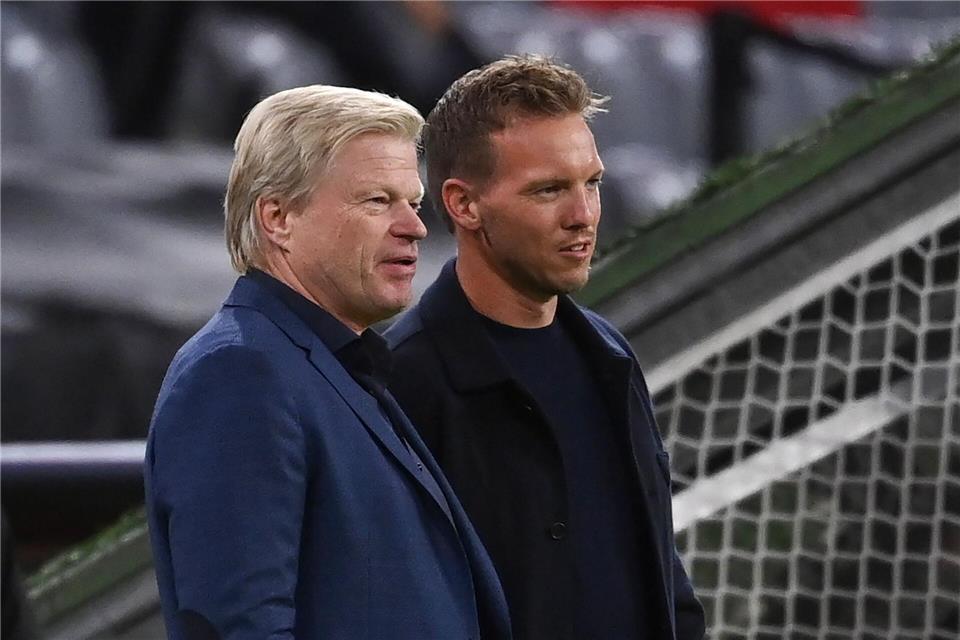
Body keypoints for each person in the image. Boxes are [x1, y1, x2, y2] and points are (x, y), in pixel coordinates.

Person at [144, 85, 511, 640]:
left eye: (413, 203)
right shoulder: (239, 373)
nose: (414, 227)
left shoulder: (336, 368)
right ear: (278, 217)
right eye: (377, 201)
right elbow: (241, 627)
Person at [386, 56, 706, 640]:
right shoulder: (403, 383)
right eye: (549, 190)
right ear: (464, 204)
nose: (583, 216)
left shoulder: (608, 355)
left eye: (592, 183)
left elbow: (658, 567)